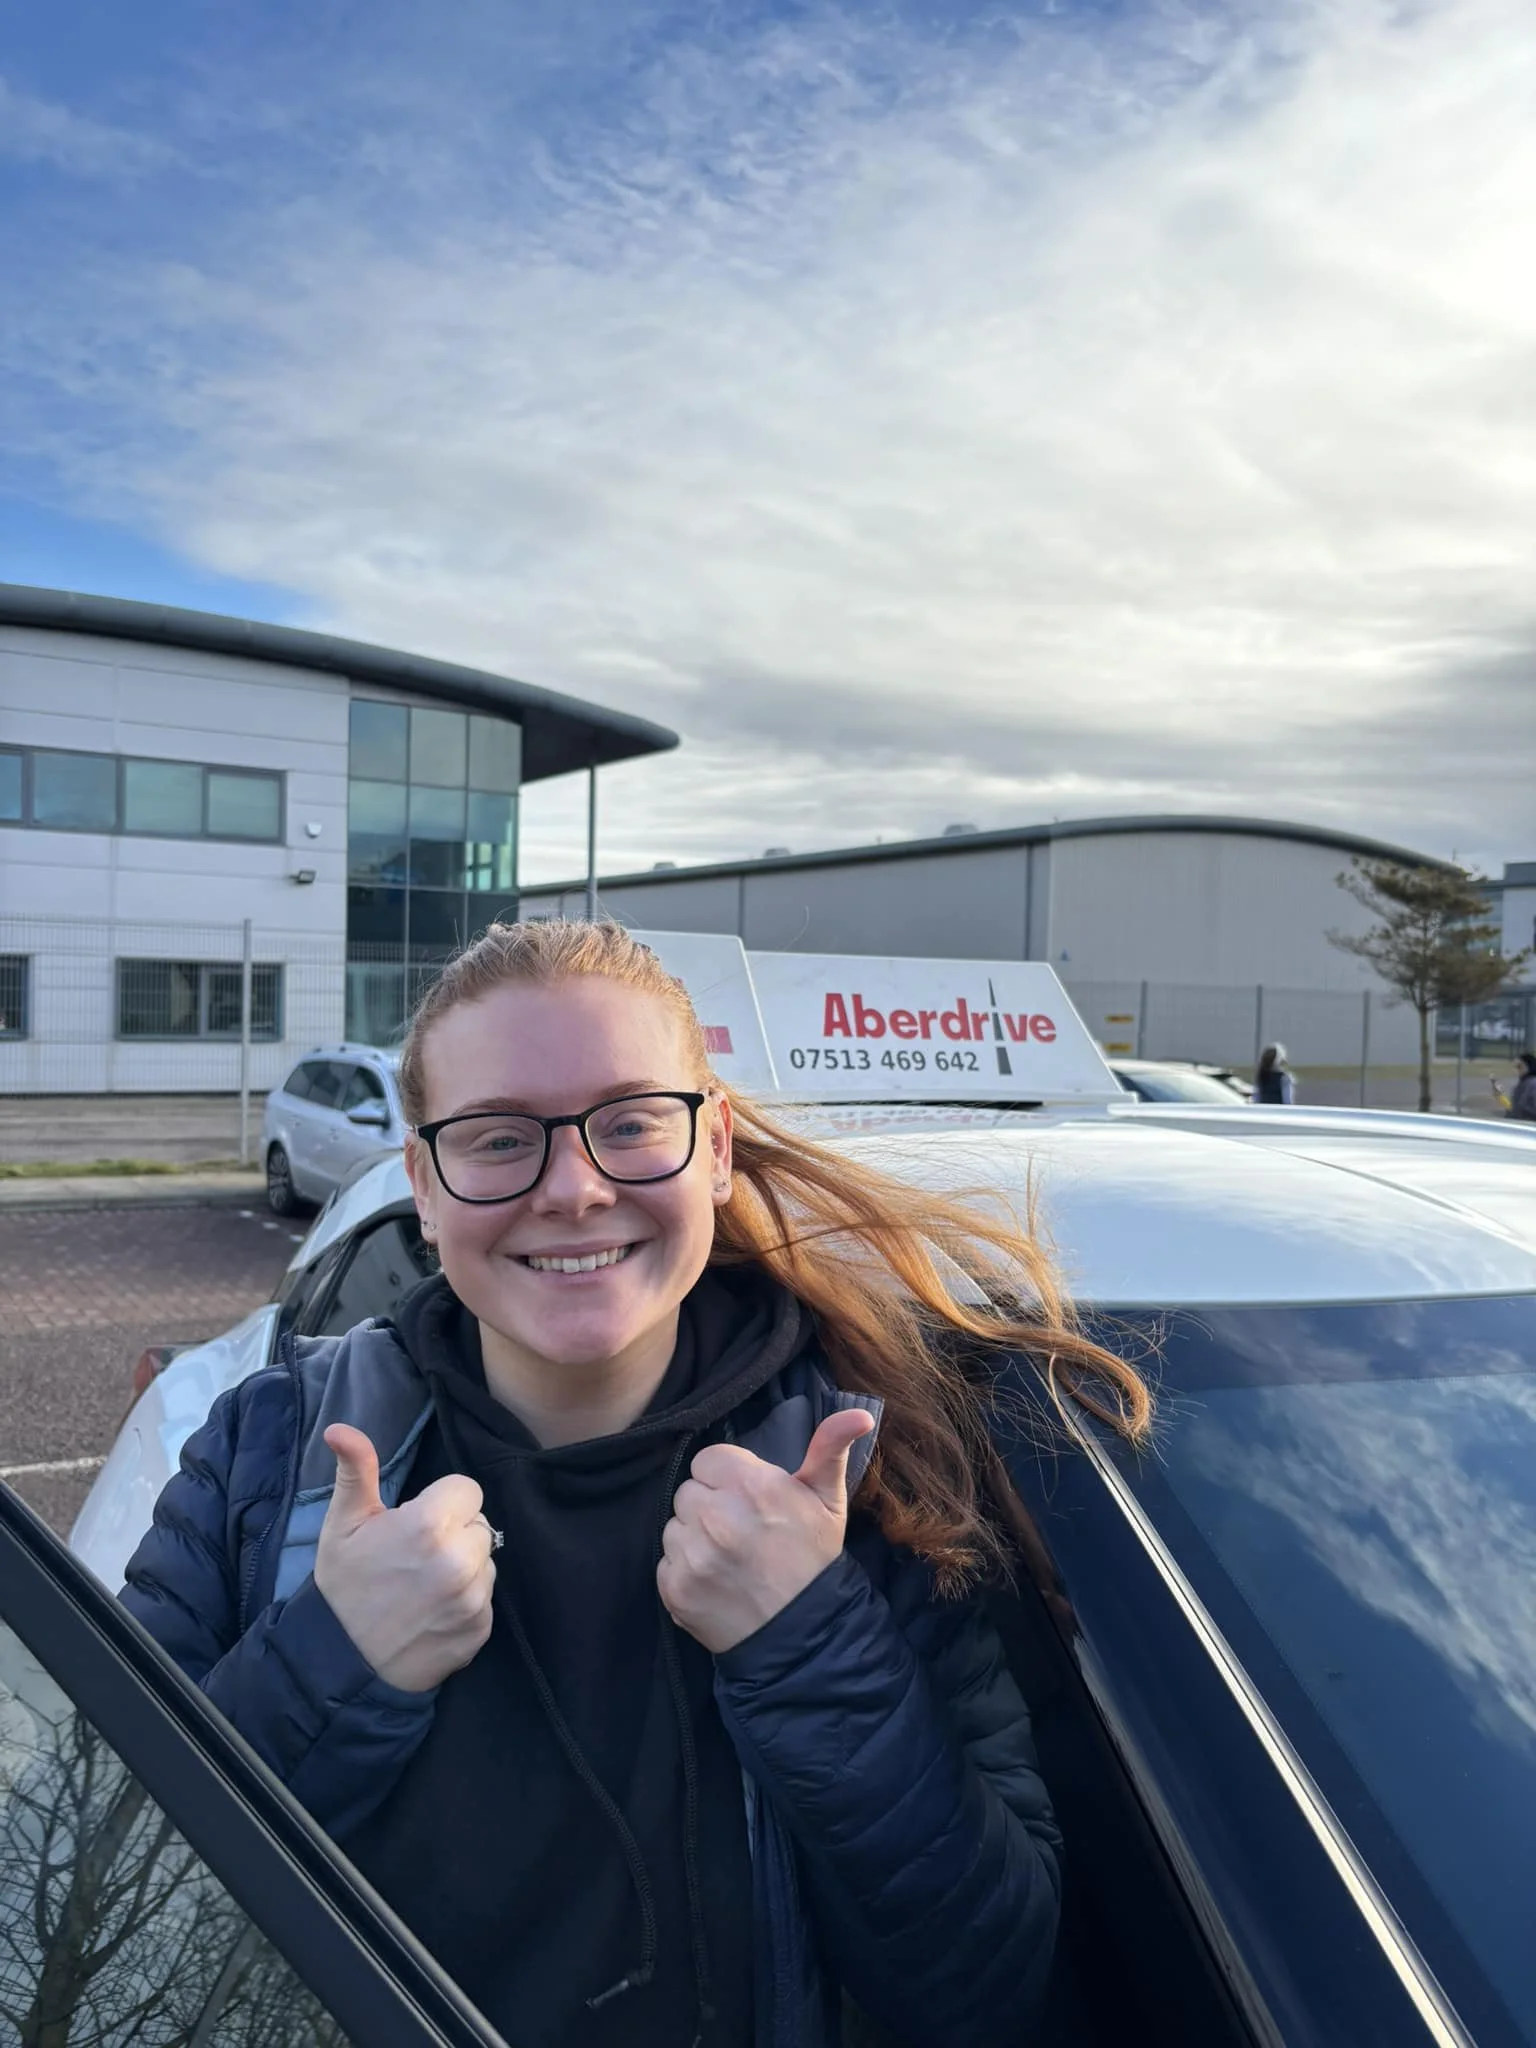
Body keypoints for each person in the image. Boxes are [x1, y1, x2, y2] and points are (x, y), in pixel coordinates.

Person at [120, 920, 1151, 2048]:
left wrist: (809, 1644)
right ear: (424, 1184)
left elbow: (987, 1991)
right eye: (499, 1137)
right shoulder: (269, 1455)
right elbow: (105, 1918)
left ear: (714, 1148)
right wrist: (331, 1663)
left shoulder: (872, 1474)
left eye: (629, 1123)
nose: (574, 1188)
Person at [1506, 1050, 1536, 1122]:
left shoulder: (1533, 1084)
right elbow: (1514, 1107)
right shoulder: (1523, 1083)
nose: (1516, 1070)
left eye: (1519, 1067)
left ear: (1530, 1066)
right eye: (1515, 1067)